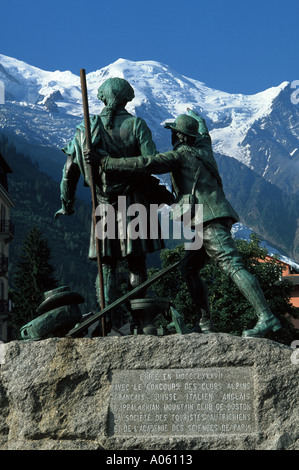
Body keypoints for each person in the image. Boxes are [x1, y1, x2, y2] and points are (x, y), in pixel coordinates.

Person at [98, 111, 282, 338]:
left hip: (208, 219)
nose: (173, 137)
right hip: (207, 219)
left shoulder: (180, 155)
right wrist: (200, 120)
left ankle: (266, 316)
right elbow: (205, 133)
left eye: (175, 133)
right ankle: (204, 321)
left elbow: (147, 163)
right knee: (189, 268)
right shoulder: (205, 149)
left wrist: (108, 163)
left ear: (181, 137)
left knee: (232, 265)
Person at [55, 77, 172, 333]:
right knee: (137, 263)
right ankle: (142, 323)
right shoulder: (136, 125)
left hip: (103, 203)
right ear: (126, 99)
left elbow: (69, 171)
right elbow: (151, 162)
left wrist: (67, 203)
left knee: (106, 264)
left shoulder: (86, 127)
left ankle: (104, 321)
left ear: (103, 98)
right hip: (136, 200)